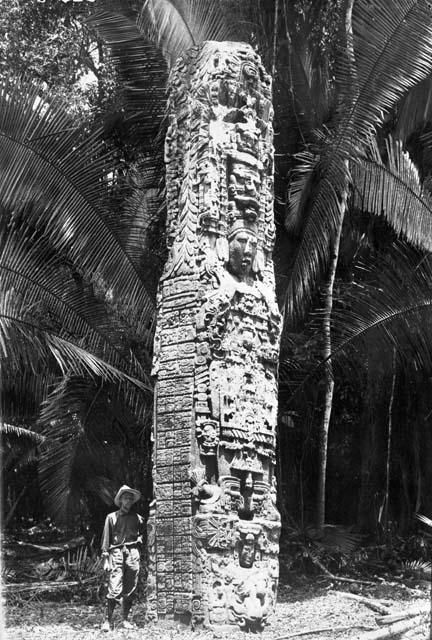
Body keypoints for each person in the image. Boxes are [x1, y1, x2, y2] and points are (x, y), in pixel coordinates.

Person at [100, 484, 145, 631]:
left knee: (130, 588)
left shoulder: (138, 518)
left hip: (133, 554)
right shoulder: (111, 517)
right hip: (116, 553)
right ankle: (107, 621)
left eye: (131, 499)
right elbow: (106, 540)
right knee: (114, 587)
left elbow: (143, 534)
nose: (128, 501)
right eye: (126, 498)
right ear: (120, 501)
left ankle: (125, 620)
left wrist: (140, 540)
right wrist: (106, 558)